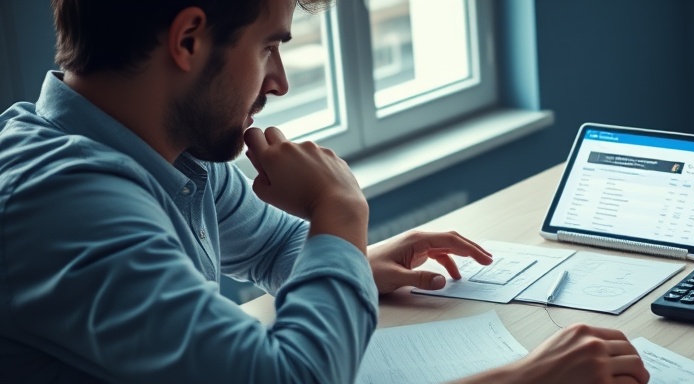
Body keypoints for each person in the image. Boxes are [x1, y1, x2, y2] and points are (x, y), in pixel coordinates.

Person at [0, 1, 650, 383]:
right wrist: (340, 213)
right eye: (270, 47)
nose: (278, 82)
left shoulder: (166, 154)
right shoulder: (65, 205)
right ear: (189, 39)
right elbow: (294, 376)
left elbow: (277, 248)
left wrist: (352, 263)